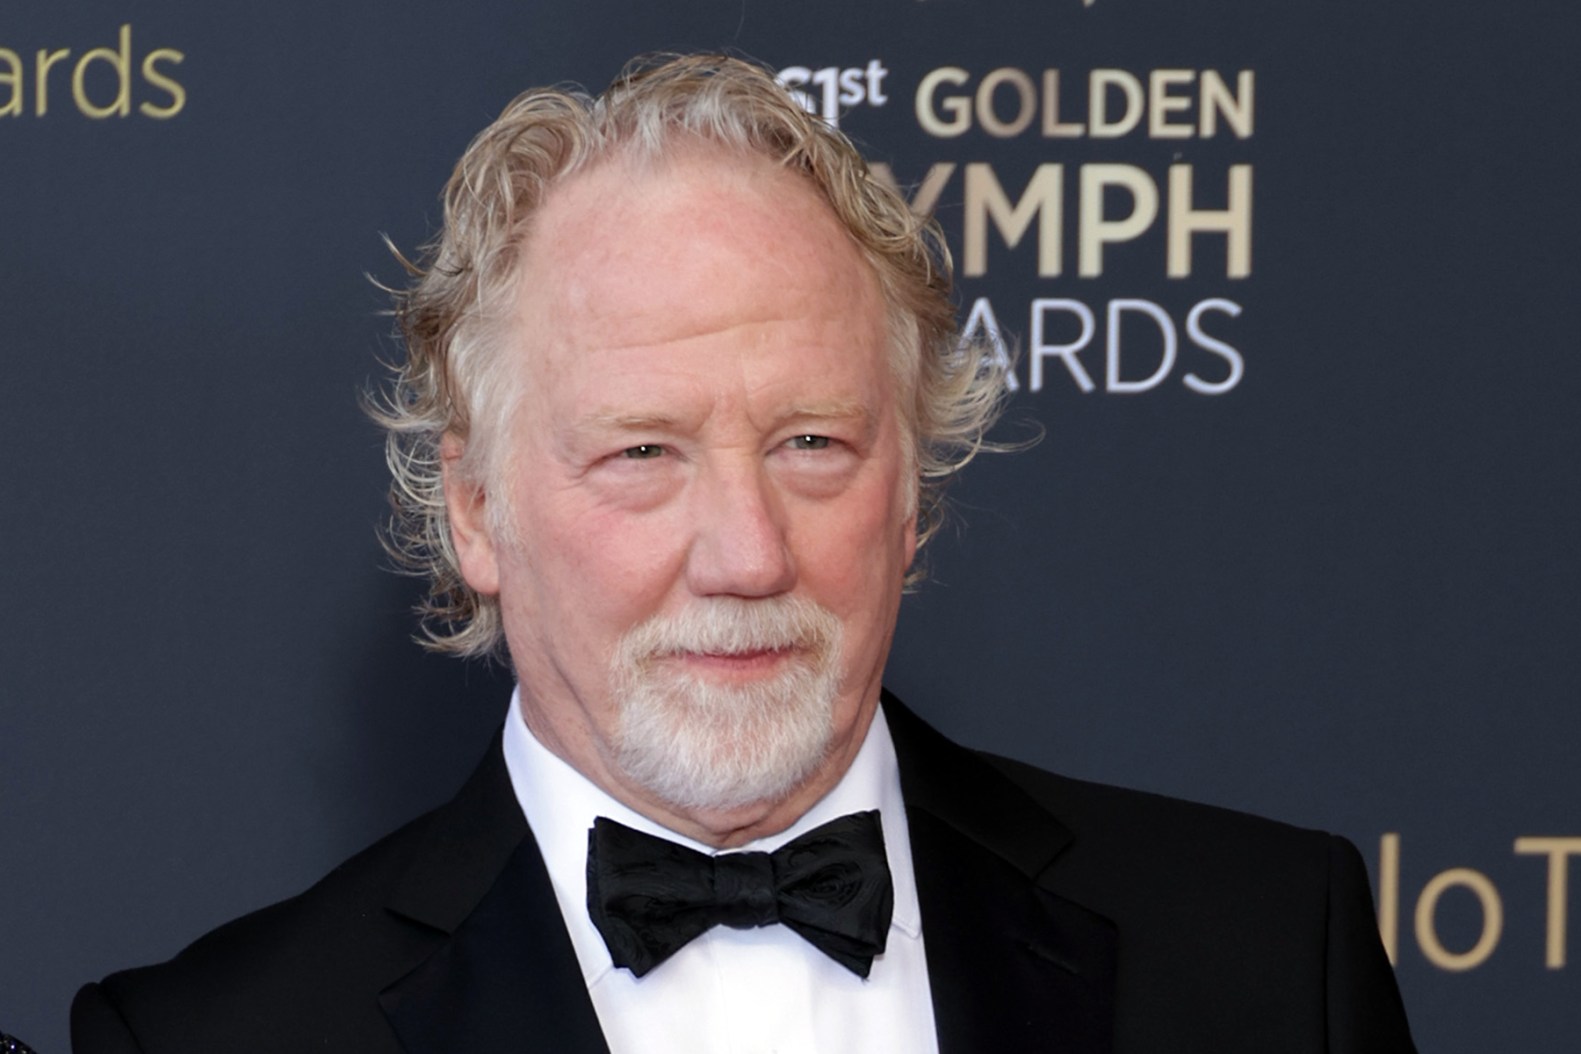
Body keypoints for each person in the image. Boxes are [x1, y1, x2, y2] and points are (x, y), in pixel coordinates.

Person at [72, 53, 1416, 1053]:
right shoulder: (215, 1038)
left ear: (912, 490)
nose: (746, 552)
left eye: (811, 442)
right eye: (642, 452)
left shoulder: (1260, 957)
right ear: (475, 509)